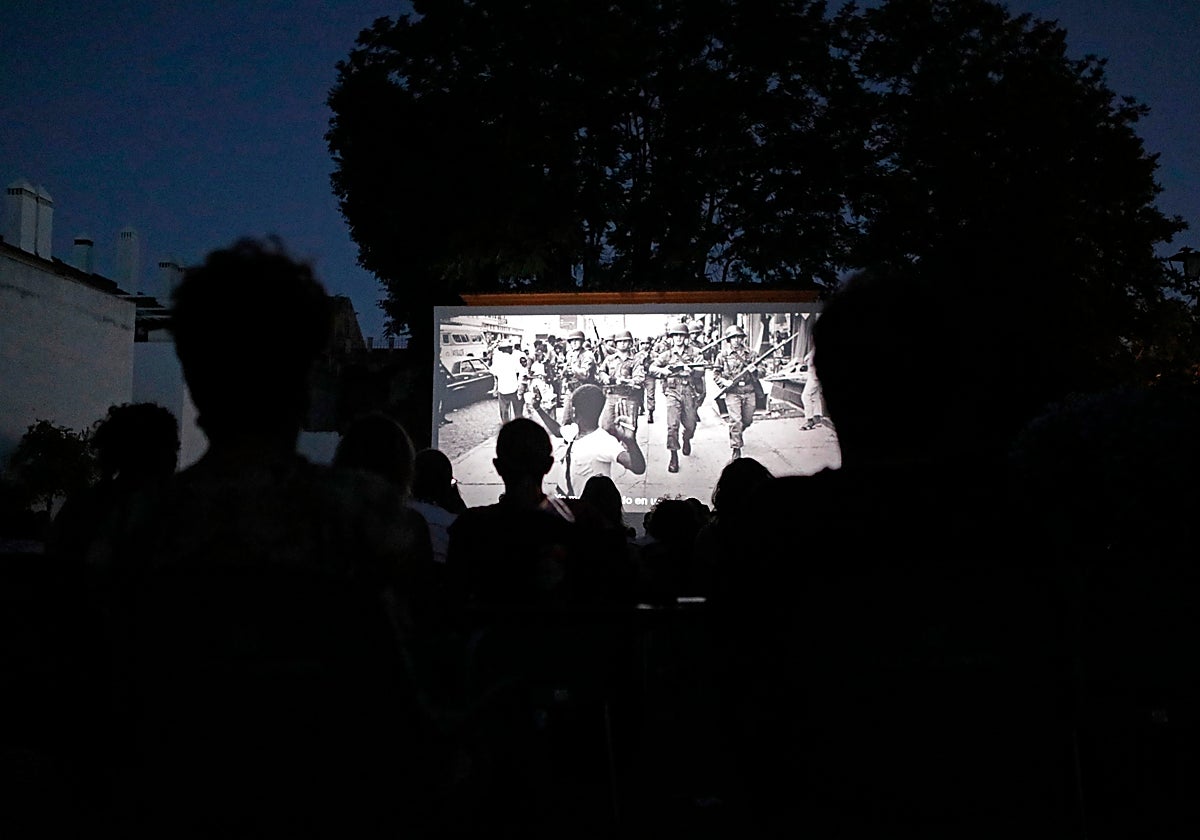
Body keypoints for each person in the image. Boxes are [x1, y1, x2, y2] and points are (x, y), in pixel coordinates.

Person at [560, 384, 646, 498]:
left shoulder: (604, 442)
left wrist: (630, 441)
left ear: (574, 412)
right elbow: (557, 431)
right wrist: (538, 408)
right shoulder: (574, 431)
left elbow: (638, 468)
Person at [649, 319, 703, 473]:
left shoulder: (694, 352)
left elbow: (702, 370)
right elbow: (652, 368)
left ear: (686, 337)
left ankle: (686, 438)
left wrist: (692, 370)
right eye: (675, 336)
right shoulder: (666, 355)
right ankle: (673, 455)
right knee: (672, 426)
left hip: (688, 391)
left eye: (681, 335)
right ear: (671, 338)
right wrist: (664, 371)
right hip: (672, 392)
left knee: (691, 424)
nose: (678, 338)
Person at [712, 324, 761, 460]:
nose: (736, 340)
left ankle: (738, 432)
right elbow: (716, 374)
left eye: (739, 337)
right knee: (735, 420)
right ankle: (736, 448)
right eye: (733, 338)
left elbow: (763, 370)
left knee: (747, 420)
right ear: (729, 340)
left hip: (749, 391)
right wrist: (724, 382)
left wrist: (755, 370)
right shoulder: (722, 356)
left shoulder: (751, 354)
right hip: (733, 393)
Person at [598, 330, 645, 434]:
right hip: (612, 397)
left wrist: (626, 381)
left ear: (630, 343)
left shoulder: (636, 360)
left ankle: (626, 449)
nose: (623, 343)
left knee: (628, 430)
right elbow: (601, 371)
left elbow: (639, 378)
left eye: (626, 341)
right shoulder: (609, 359)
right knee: (606, 427)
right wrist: (605, 377)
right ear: (616, 344)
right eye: (620, 341)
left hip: (629, 397)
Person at [558, 329, 598, 426]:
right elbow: (564, 373)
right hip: (571, 390)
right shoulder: (570, 354)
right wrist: (565, 371)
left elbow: (585, 374)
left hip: (584, 390)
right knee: (566, 420)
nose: (574, 343)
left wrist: (573, 369)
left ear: (582, 342)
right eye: (572, 341)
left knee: (584, 421)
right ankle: (568, 440)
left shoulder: (588, 355)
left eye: (577, 340)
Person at [489, 338, 524, 424]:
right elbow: (519, 371)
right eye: (510, 347)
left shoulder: (497, 359)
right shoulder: (513, 358)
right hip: (514, 387)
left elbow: (493, 372)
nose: (512, 349)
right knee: (517, 410)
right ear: (506, 349)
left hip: (503, 388)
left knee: (504, 411)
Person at [636, 337, 657, 423]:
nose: (645, 345)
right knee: (639, 394)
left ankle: (650, 413)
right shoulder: (637, 355)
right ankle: (641, 407)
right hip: (640, 376)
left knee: (650, 395)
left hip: (650, 376)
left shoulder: (654, 355)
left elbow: (658, 365)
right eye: (643, 343)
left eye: (647, 343)